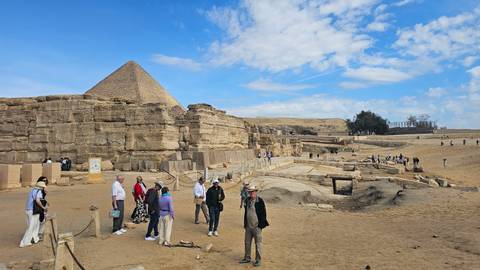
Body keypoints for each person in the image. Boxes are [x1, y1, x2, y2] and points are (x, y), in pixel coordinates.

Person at [239, 185, 269, 267]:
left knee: (258, 244)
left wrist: (260, 226)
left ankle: (258, 260)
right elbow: (246, 213)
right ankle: (247, 258)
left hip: (257, 227)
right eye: (250, 192)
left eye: (253, 192)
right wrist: (245, 224)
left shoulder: (260, 201)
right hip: (248, 226)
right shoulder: (247, 200)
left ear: (256, 192)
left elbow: (263, 214)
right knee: (247, 243)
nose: (251, 193)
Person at [20, 181, 48, 247]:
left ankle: (34, 239)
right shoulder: (39, 192)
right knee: (32, 226)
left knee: (34, 225)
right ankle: (24, 242)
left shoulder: (32, 191)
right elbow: (37, 200)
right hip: (34, 210)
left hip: (28, 210)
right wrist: (43, 207)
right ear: (41, 187)